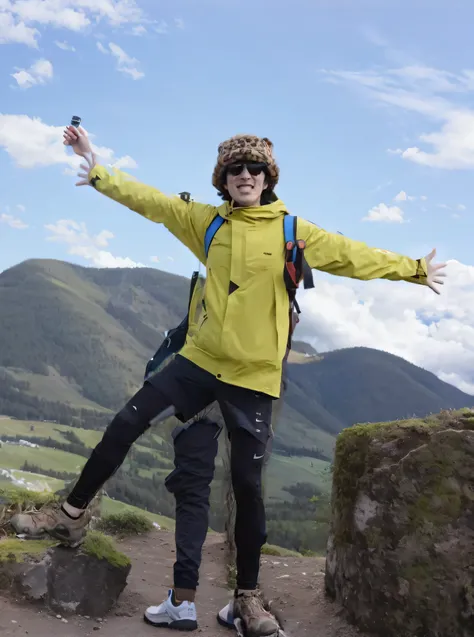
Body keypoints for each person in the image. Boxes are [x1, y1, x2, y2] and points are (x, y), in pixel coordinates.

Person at [11, 126, 447, 636]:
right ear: (223, 179)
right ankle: (70, 514)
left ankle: (247, 599)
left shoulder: (293, 230)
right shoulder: (208, 223)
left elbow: (355, 255)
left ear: (268, 178)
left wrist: (414, 269)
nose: (245, 176)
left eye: (255, 169)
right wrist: (97, 166)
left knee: (247, 485)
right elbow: (150, 202)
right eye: (236, 170)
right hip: (199, 362)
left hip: (255, 376)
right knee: (124, 424)